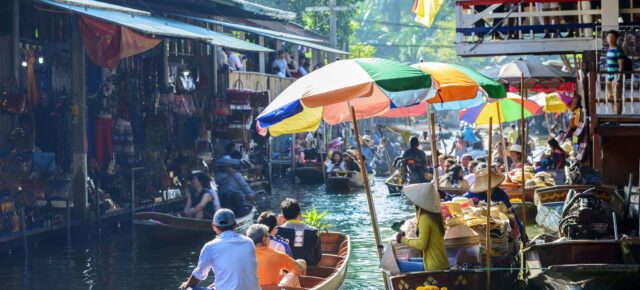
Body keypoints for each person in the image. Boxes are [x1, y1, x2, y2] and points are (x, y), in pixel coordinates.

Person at [180, 209, 260, 290]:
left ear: (214, 226)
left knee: (188, 288)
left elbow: (199, 275)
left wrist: (185, 286)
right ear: (235, 225)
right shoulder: (249, 242)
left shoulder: (210, 247)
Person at [395, 183, 449, 271]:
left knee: (397, 264)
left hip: (434, 267)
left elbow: (421, 245)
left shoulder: (425, 218)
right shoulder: (436, 215)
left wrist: (403, 239)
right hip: (442, 263)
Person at [463, 169, 524, 238]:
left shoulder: (500, 193)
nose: (490, 189)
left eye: (492, 187)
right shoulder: (471, 195)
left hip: (500, 227)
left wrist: (524, 238)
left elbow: (512, 213)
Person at [275, 198, 323, 266]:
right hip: (309, 267)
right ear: (300, 214)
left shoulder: (277, 231)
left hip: (286, 269)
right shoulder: (314, 231)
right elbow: (318, 256)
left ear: (283, 217)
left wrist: (279, 225)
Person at [606, 30, 625, 115]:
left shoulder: (618, 50)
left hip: (616, 78)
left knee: (617, 98)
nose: (611, 39)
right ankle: (614, 115)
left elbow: (621, 66)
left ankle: (618, 117)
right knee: (611, 98)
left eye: (613, 37)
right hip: (609, 78)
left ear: (616, 39)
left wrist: (619, 80)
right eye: (609, 37)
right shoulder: (609, 49)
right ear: (607, 39)